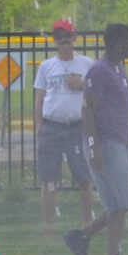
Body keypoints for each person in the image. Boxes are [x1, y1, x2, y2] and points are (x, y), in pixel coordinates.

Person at [63, 21, 128, 255]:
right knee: (118, 205)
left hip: (119, 142)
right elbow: (88, 110)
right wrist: (94, 147)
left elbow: (115, 107)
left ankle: (81, 236)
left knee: (123, 203)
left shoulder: (118, 68)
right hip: (105, 145)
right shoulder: (99, 71)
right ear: (117, 43)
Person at [31, 19, 93, 232]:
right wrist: (40, 127)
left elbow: (98, 94)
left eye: (67, 36)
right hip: (52, 128)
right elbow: (39, 99)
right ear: (54, 40)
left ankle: (87, 224)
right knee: (48, 179)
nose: (64, 40)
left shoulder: (86, 64)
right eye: (59, 37)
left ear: (75, 38)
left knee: (84, 178)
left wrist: (83, 84)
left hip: (77, 127)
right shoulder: (47, 66)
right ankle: (48, 226)